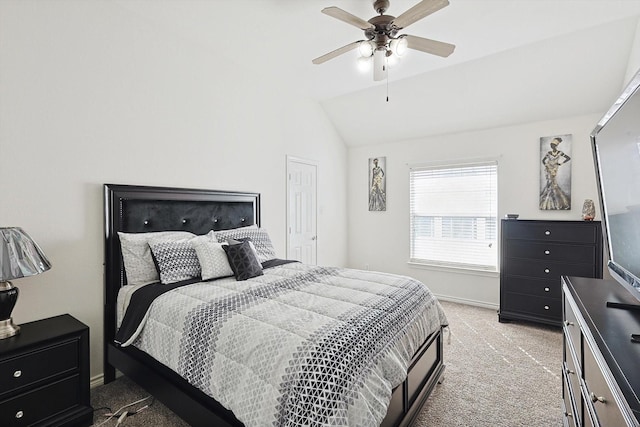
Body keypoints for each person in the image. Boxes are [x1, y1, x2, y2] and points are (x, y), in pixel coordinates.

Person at [539, 137, 571, 210]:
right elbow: (543, 160)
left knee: (553, 184)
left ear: (556, 145)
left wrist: (560, 163)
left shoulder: (559, 153)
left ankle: (557, 202)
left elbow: (568, 158)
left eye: (553, 145)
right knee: (549, 184)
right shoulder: (549, 153)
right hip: (548, 169)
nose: (552, 146)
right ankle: (549, 202)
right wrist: (546, 165)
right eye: (551, 145)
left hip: (554, 169)